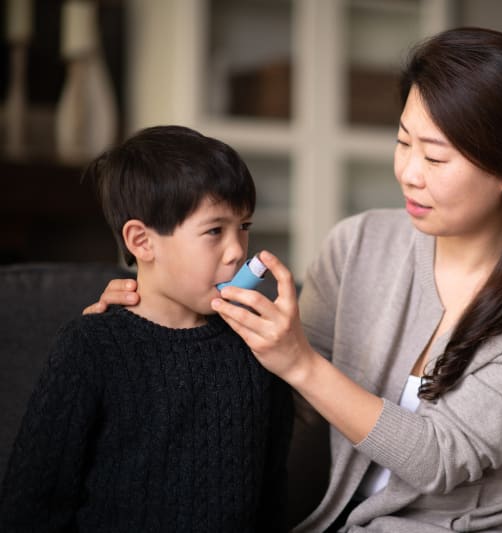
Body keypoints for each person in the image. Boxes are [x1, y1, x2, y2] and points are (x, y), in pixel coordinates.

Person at [86, 27, 502, 532]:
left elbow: (440, 459)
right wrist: (160, 316)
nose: (409, 172)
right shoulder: (359, 243)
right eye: (404, 142)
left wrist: (301, 363)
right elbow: (270, 389)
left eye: (435, 156)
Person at [0, 125, 294, 532]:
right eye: (215, 230)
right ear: (142, 241)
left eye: (243, 227)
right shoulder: (90, 347)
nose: (237, 251)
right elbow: (31, 505)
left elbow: (272, 497)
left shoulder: (257, 347)